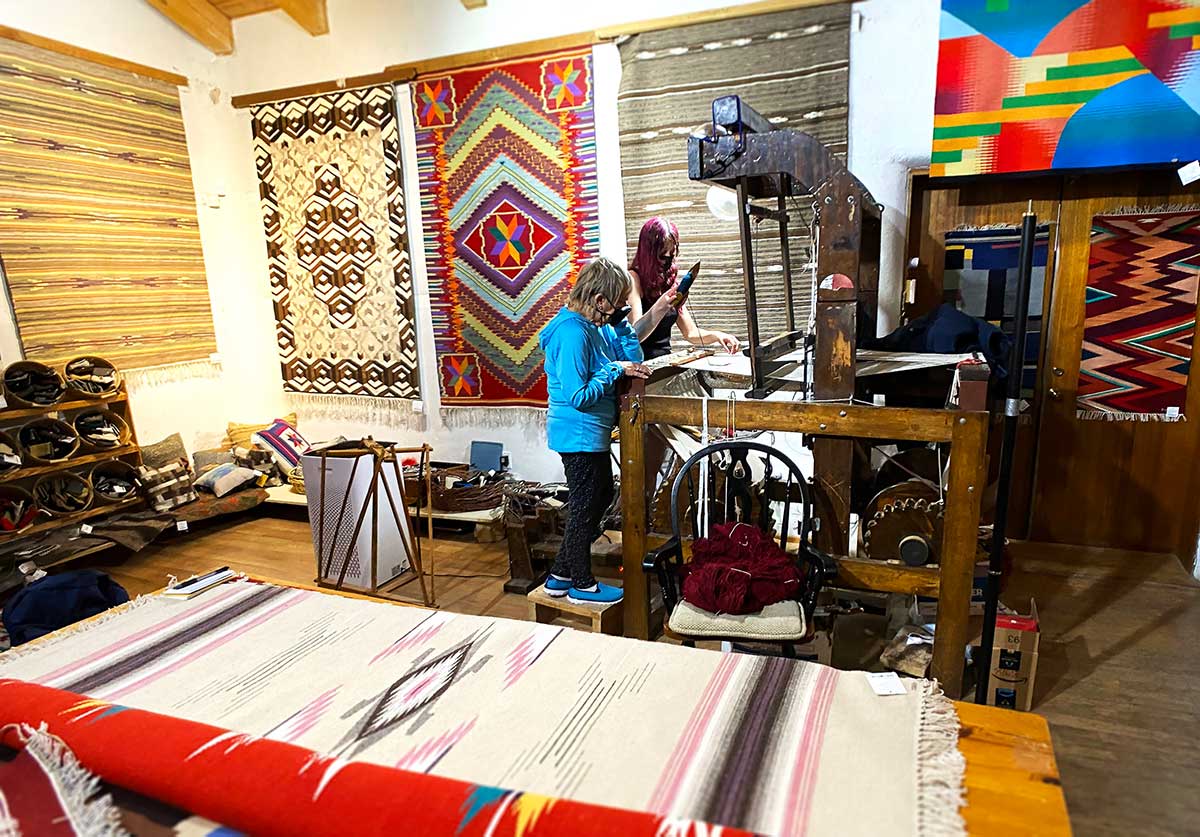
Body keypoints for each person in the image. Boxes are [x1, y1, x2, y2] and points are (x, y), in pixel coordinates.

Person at [539, 258, 649, 605]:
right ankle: (582, 586)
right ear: (600, 299)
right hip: (579, 434)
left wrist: (622, 326)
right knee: (585, 507)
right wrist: (613, 371)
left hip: (592, 434)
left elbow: (635, 359)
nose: (619, 309)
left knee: (599, 499)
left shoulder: (597, 326)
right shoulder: (572, 332)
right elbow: (578, 396)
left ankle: (559, 576)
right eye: (616, 304)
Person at [626, 216, 740, 360]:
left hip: (663, 364)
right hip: (640, 366)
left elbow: (690, 333)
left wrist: (718, 336)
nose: (667, 260)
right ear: (648, 253)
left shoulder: (668, 282)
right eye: (662, 255)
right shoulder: (633, 279)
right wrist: (661, 306)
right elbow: (634, 336)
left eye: (671, 255)